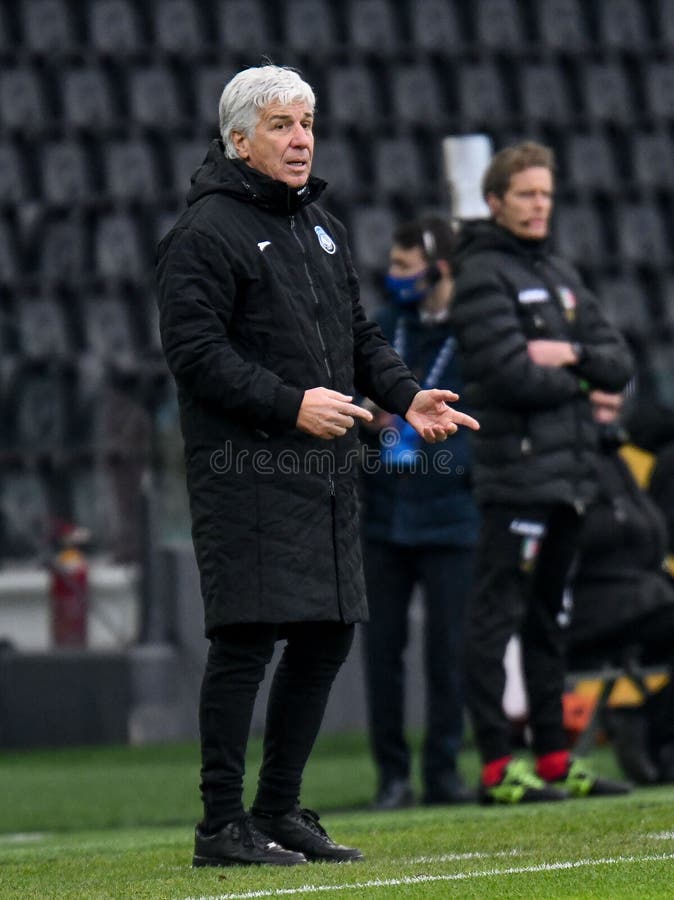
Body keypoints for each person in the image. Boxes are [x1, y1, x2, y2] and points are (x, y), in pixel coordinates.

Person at [156, 65, 479, 868]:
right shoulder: (205, 233)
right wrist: (291, 403)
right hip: (246, 473)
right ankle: (221, 825)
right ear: (238, 141)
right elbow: (195, 357)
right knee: (246, 639)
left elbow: (360, 335)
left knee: (328, 633)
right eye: (280, 125)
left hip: (325, 472)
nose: (301, 139)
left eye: (307, 123)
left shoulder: (319, 228)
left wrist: (405, 397)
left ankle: (279, 809)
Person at [451, 140, 634, 804]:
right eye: (526, 194)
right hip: (517, 476)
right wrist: (583, 379)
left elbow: (618, 362)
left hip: (570, 478)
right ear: (495, 201)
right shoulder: (481, 277)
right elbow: (510, 375)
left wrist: (568, 356)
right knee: (495, 617)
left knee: (550, 619)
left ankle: (555, 758)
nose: (538, 206)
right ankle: (499, 765)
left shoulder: (559, 271)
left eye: (546, 195)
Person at [359, 216, 479, 810]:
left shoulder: (476, 335)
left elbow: (486, 424)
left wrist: (430, 443)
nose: (395, 275)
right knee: (382, 653)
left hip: (452, 516)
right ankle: (392, 778)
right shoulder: (383, 327)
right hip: (383, 516)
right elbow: (359, 408)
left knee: (448, 652)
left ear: (441, 268)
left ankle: (443, 773)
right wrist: (371, 422)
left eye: (407, 265)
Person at [564, 390, 674, 785]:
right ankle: (651, 729)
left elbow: (650, 533)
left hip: (635, 601)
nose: (607, 417)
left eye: (612, 408)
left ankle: (647, 723)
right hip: (590, 612)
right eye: (598, 408)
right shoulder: (569, 464)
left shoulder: (614, 460)